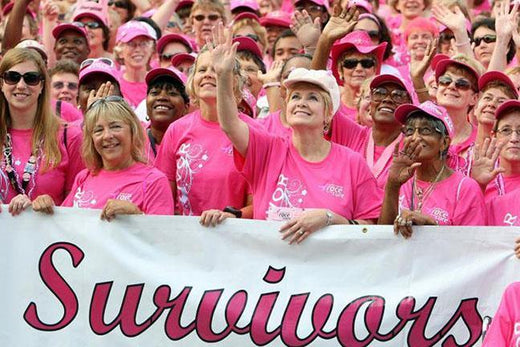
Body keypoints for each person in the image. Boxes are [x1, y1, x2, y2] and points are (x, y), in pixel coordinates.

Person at [212, 25, 382, 243]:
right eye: (295, 97)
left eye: (312, 97)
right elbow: (229, 123)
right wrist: (223, 76)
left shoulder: (352, 163)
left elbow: (372, 227)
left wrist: (328, 218)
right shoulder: (268, 149)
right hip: (271, 270)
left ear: (328, 113)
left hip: (330, 272)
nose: (301, 103)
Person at [154, 43, 255, 217]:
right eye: (202, 70)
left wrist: (233, 216)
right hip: (187, 239)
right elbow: (161, 198)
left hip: (236, 237)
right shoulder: (176, 130)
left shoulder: (253, 131)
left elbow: (262, 201)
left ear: (234, 81)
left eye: (216, 70)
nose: (208, 74)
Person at [34, 97, 174, 218]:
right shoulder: (83, 177)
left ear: (133, 131)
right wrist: (48, 207)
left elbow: (162, 240)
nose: (107, 136)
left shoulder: (154, 181)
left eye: (115, 127)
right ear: (91, 139)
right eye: (98, 130)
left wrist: (136, 216)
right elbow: (64, 227)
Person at [379, 101, 486, 237]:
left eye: (425, 130)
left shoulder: (465, 188)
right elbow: (382, 240)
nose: (415, 137)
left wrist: (432, 226)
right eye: (410, 131)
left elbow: (472, 246)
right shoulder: (400, 180)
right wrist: (392, 185)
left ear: (444, 142)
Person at [0, 48, 84, 214]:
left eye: (31, 79)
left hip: (49, 238)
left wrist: (53, 206)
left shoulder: (70, 137)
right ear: (1, 84)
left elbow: (79, 204)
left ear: (42, 86)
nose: (21, 85)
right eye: (12, 77)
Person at [472, 100, 520, 200]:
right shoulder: (481, 178)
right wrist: (479, 186)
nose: (514, 138)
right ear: (494, 136)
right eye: (506, 130)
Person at [143, 66, 190, 162]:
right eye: (155, 92)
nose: (162, 97)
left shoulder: (194, 144)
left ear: (186, 107)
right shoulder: (134, 140)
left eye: (172, 93)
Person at [116, 20, 157, 108]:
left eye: (143, 44)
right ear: (120, 52)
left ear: (151, 49)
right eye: (131, 44)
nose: (138, 49)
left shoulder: (158, 82)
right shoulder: (114, 83)